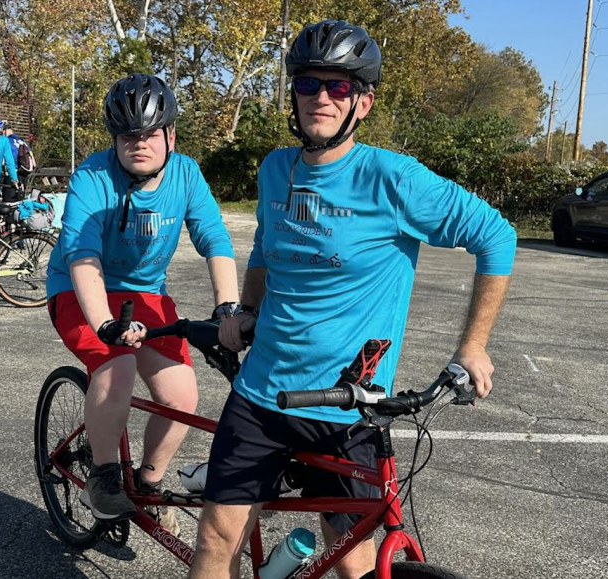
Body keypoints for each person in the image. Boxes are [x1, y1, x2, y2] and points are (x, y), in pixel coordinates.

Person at [195, 20, 518, 579]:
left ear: (362, 102)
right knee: (216, 539)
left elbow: (496, 236)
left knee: (353, 560)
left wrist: (474, 346)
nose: (321, 96)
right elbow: (267, 250)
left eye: (339, 87)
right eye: (308, 84)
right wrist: (247, 309)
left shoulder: (393, 178)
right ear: (291, 94)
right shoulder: (276, 168)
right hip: (261, 394)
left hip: (348, 405)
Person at [45, 73, 239, 536]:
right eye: (127, 135)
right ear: (114, 138)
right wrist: (105, 324)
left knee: (182, 396)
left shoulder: (186, 174)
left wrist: (229, 307)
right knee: (117, 365)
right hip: (78, 289)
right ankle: (105, 477)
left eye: (150, 133)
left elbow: (214, 239)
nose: (138, 143)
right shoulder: (92, 177)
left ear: (170, 134)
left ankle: (147, 481)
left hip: (145, 294)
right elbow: (83, 254)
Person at [3, 120, 36, 200]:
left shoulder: (6, 141)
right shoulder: (22, 142)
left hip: (12, 174)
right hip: (24, 175)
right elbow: (34, 163)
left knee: (8, 202)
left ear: (4, 130)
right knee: (20, 202)